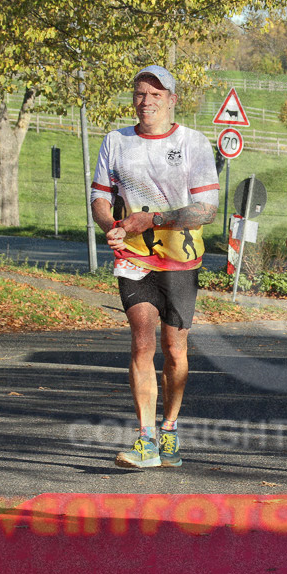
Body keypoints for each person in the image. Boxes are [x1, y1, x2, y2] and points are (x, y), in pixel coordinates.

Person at [90, 65, 219, 469]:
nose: (146, 101)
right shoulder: (116, 141)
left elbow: (206, 211)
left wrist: (155, 219)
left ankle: (170, 430)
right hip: (134, 257)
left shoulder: (193, 143)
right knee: (142, 341)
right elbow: (99, 197)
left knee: (175, 350)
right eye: (140, 93)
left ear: (172, 100)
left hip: (180, 257)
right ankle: (145, 438)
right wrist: (111, 226)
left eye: (156, 94)